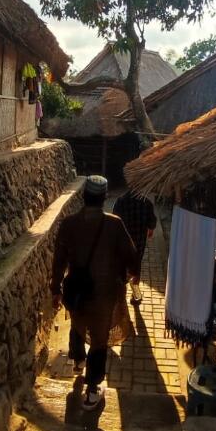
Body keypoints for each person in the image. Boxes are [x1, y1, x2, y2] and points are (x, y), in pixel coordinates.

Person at [51, 174, 137, 410]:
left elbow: (59, 261)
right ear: (104, 198)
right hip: (105, 292)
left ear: (84, 196)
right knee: (99, 340)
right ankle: (91, 390)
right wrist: (134, 274)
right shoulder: (114, 224)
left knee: (78, 322)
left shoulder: (68, 224)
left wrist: (55, 289)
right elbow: (131, 254)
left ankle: (78, 360)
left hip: (77, 288)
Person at [112, 188, 157, 303]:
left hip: (123, 242)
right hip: (139, 243)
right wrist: (150, 230)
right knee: (136, 266)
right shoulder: (146, 202)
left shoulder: (120, 201)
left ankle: (121, 292)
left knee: (122, 265)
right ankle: (136, 294)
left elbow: (114, 220)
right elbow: (152, 223)